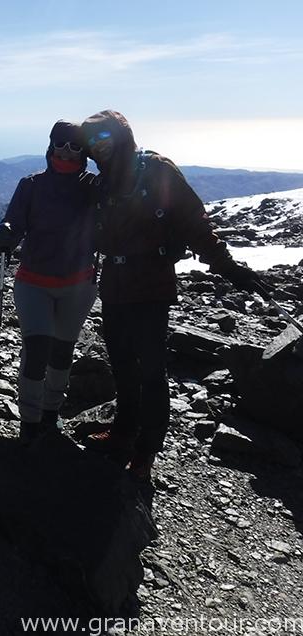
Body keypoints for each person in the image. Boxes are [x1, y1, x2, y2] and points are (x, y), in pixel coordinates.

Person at [79, 109, 264, 482]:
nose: (99, 149)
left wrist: (227, 267)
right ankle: (122, 435)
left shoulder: (158, 171)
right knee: (122, 366)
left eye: (105, 140)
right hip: (115, 284)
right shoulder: (102, 183)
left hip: (151, 285)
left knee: (150, 371)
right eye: (92, 144)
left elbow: (195, 223)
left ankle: (145, 454)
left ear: (123, 137)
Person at [0, 120, 98, 443]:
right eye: (61, 144)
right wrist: (8, 232)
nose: (67, 151)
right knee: (38, 350)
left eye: (75, 146)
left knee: (62, 353)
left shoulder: (93, 187)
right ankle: (30, 423)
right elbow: (14, 219)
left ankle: (49, 418)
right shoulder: (32, 185)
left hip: (77, 285)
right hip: (34, 283)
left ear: (85, 152)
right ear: (50, 146)